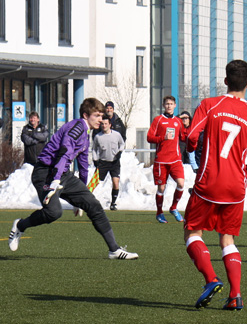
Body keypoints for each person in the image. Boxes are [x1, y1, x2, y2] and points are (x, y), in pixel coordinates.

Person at [8, 98, 138, 260]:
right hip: (45, 173)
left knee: (93, 205)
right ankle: (20, 225)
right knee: (54, 212)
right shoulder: (76, 128)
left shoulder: (86, 133)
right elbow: (64, 153)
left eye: (102, 115)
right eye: (97, 115)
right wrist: (54, 181)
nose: (101, 119)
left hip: (62, 174)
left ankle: (114, 250)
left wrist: (80, 197)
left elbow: (83, 164)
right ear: (85, 115)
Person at [183, 59, 247, 311]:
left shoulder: (210, 105)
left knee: (192, 232)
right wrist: (245, 175)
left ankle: (211, 279)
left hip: (208, 182)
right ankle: (235, 295)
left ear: (226, 81)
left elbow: (192, 136)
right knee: (227, 239)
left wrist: (192, 148)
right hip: (235, 188)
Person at [147, 95, 186, 224]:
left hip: (175, 159)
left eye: (171, 104)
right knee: (161, 188)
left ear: (175, 105)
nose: (169, 106)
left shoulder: (178, 121)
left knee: (181, 183)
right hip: (161, 161)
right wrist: (162, 137)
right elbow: (149, 138)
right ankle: (159, 213)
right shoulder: (158, 120)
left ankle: (174, 207)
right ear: (164, 105)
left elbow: (183, 137)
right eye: (167, 104)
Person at [92, 116, 125, 210]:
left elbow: (122, 144)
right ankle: (86, 201)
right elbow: (94, 149)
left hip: (114, 163)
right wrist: (95, 160)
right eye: (102, 124)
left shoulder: (116, 135)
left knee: (116, 182)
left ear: (110, 125)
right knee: (94, 182)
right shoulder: (98, 137)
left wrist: (120, 152)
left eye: (106, 124)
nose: (104, 125)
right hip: (103, 163)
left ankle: (113, 203)